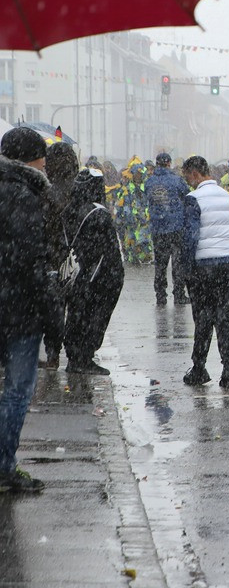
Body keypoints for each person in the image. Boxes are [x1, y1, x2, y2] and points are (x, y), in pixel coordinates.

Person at [0, 127, 51, 492]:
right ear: (31, 160)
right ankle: (4, 468)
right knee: (18, 390)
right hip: (19, 309)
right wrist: (53, 311)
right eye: (42, 156)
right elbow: (31, 261)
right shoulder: (25, 195)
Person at [179, 155, 229, 389]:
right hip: (227, 262)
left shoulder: (193, 199)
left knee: (203, 318)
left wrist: (186, 269)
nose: (188, 182)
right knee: (223, 317)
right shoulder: (228, 198)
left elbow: (190, 238)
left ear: (195, 174)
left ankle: (199, 367)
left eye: (187, 177)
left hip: (203, 265)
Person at [62, 168, 124, 375]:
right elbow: (108, 252)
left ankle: (74, 355)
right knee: (95, 316)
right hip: (98, 278)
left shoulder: (69, 209)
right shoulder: (98, 214)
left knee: (76, 313)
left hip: (75, 275)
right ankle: (84, 357)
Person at [41, 142, 79, 369]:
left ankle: (53, 352)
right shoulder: (80, 189)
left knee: (55, 307)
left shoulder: (46, 192)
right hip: (77, 257)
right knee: (78, 307)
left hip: (54, 257)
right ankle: (75, 354)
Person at [145, 152, 191, 306]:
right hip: (176, 227)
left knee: (160, 264)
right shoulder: (177, 180)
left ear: (157, 164)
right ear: (169, 163)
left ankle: (160, 295)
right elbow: (187, 196)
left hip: (158, 228)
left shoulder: (150, 182)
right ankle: (179, 295)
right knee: (178, 263)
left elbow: (148, 197)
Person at [115, 156, 153, 264]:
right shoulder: (126, 189)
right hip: (130, 223)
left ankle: (145, 262)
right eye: (136, 174)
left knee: (145, 245)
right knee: (130, 245)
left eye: (140, 174)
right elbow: (120, 204)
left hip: (144, 223)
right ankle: (131, 261)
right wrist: (120, 217)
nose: (138, 176)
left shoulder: (147, 187)